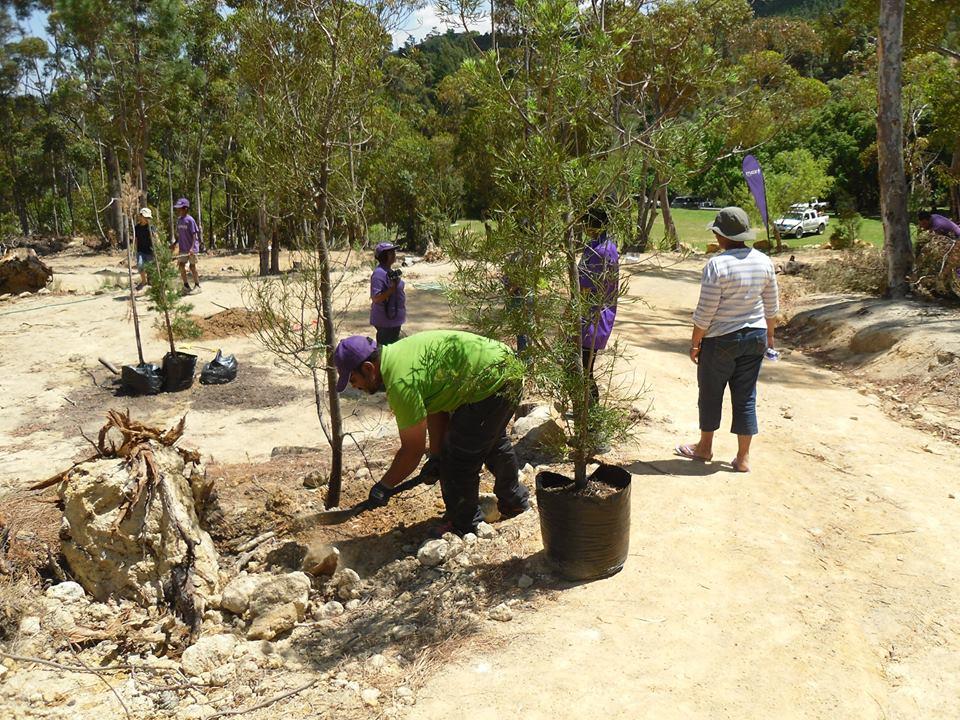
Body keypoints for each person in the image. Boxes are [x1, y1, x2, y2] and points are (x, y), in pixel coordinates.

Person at [333, 330, 530, 536]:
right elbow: (436, 404)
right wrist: (436, 456)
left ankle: (464, 524)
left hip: (494, 380)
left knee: (457, 459)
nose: (354, 387)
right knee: (490, 441)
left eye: (353, 379)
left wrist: (383, 486)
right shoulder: (398, 354)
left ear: (368, 368)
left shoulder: (401, 383)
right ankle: (514, 502)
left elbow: (412, 451)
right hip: (506, 367)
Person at [676, 206, 779, 473]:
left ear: (721, 236)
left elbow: (705, 311)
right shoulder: (764, 261)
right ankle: (743, 458)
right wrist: (769, 338)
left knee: (710, 394)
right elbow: (772, 307)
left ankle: (704, 447)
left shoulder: (717, 264)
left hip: (720, 339)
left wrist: (695, 343)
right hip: (755, 337)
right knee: (745, 397)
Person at [578, 203, 620, 404]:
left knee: (584, 369)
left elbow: (583, 287)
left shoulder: (598, 251)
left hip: (591, 318)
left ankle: (589, 413)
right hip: (598, 316)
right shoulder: (606, 246)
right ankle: (584, 408)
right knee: (585, 367)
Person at [369, 242, 405, 346]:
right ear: (383, 256)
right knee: (387, 353)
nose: (394, 254)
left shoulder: (388, 271)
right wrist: (391, 289)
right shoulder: (379, 274)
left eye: (394, 251)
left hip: (393, 321)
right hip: (386, 323)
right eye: (390, 252)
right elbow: (376, 298)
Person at [171, 197, 201, 293]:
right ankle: (186, 286)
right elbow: (179, 235)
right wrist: (175, 244)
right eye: (178, 208)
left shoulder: (190, 220)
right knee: (181, 266)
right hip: (183, 248)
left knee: (192, 267)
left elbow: (194, 235)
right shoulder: (179, 220)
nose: (178, 210)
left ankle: (197, 286)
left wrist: (192, 248)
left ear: (186, 208)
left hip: (192, 249)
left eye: (180, 208)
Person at [134, 207, 156, 291]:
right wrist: (136, 249)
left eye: (148, 218)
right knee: (140, 265)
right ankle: (143, 281)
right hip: (141, 250)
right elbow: (136, 239)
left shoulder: (151, 227)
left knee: (150, 268)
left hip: (150, 251)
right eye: (145, 217)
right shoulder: (137, 227)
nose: (146, 219)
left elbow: (156, 238)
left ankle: (151, 284)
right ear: (141, 216)